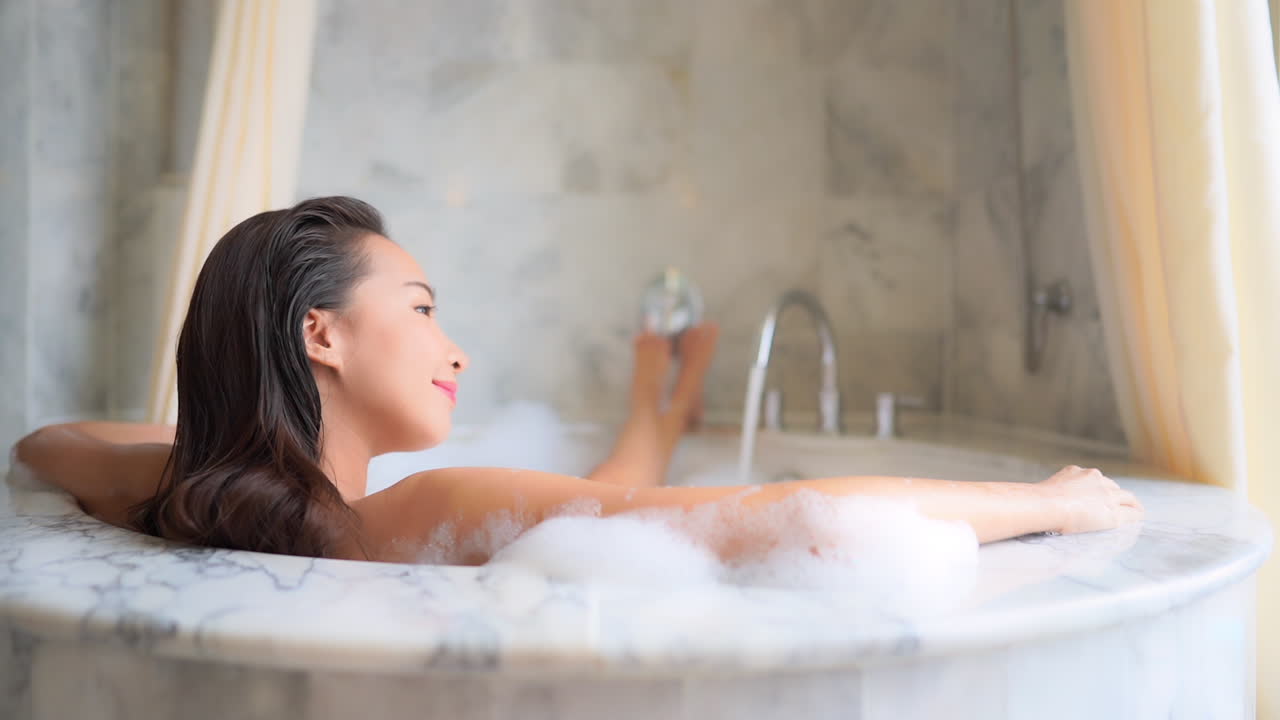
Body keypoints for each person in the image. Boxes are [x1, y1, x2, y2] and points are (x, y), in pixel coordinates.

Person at [10, 196, 1144, 565]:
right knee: (629, 494)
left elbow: (49, 441)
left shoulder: (166, 490)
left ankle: (665, 396)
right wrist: (1046, 503)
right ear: (321, 337)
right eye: (421, 310)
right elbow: (763, 518)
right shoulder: (404, 516)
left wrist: (224, 425)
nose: (453, 349)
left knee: (619, 480)